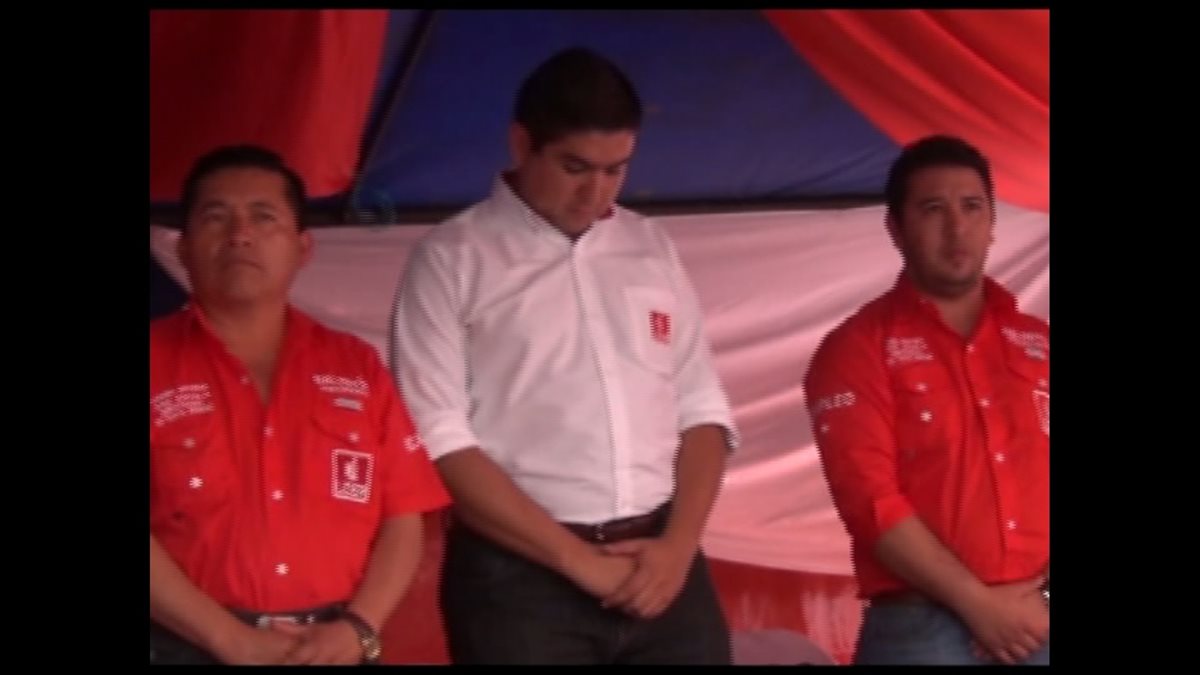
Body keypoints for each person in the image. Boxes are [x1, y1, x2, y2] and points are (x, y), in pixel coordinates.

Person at [389, 47, 738, 665]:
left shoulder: (649, 246)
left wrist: (680, 545)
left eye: (617, 170)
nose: (596, 192)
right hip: (520, 579)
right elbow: (439, 440)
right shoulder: (452, 259)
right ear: (522, 144)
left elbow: (701, 406)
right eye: (576, 167)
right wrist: (581, 564)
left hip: (663, 558)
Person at [149, 145, 451, 665]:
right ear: (183, 247)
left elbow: (404, 517)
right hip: (184, 646)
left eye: (263, 217)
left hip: (335, 647)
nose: (240, 234)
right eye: (217, 217)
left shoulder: (356, 365)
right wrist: (229, 639)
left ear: (302, 247)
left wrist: (359, 629)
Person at [804, 135, 1050, 665]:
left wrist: (1041, 599)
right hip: (920, 627)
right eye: (933, 210)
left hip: (1039, 615)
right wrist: (979, 605)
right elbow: (870, 502)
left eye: (971, 207)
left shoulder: (1039, 342)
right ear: (895, 228)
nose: (956, 228)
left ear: (992, 221)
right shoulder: (856, 348)